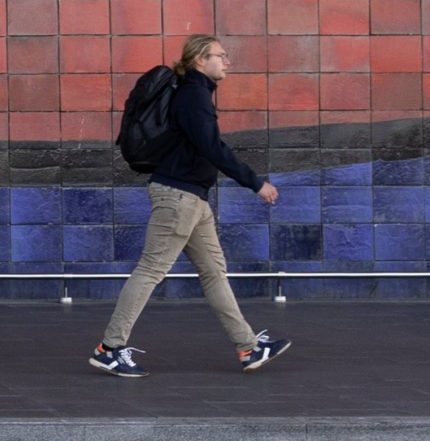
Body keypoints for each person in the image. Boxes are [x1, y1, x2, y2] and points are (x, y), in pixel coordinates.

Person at [93, 35, 291, 377]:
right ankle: (109, 348)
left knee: (214, 272)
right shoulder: (193, 95)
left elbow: (205, 146)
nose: (227, 61)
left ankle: (248, 347)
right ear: (200, 60)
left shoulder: (194, 94)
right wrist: (255, 183)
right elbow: (213, 147)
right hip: (178, 196)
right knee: (151, 270)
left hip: (193, 198)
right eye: (221, 55)